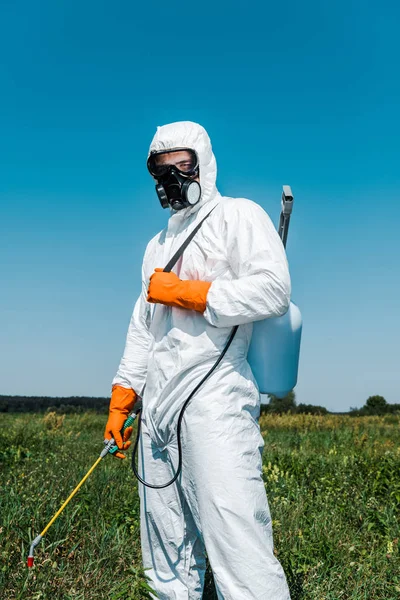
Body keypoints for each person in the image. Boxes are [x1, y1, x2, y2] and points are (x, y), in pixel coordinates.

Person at [104, 121, 292, 599]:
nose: (171, 179)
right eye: (161, 171)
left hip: (215, 402)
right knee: (166, 552)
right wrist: (123, 397)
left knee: (237, 544)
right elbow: (142, 328)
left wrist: (190, 293)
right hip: (157, 412)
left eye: (180, 166)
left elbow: (273, 289)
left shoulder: (238, 216)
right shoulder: (156, 246)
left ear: (202, 163)